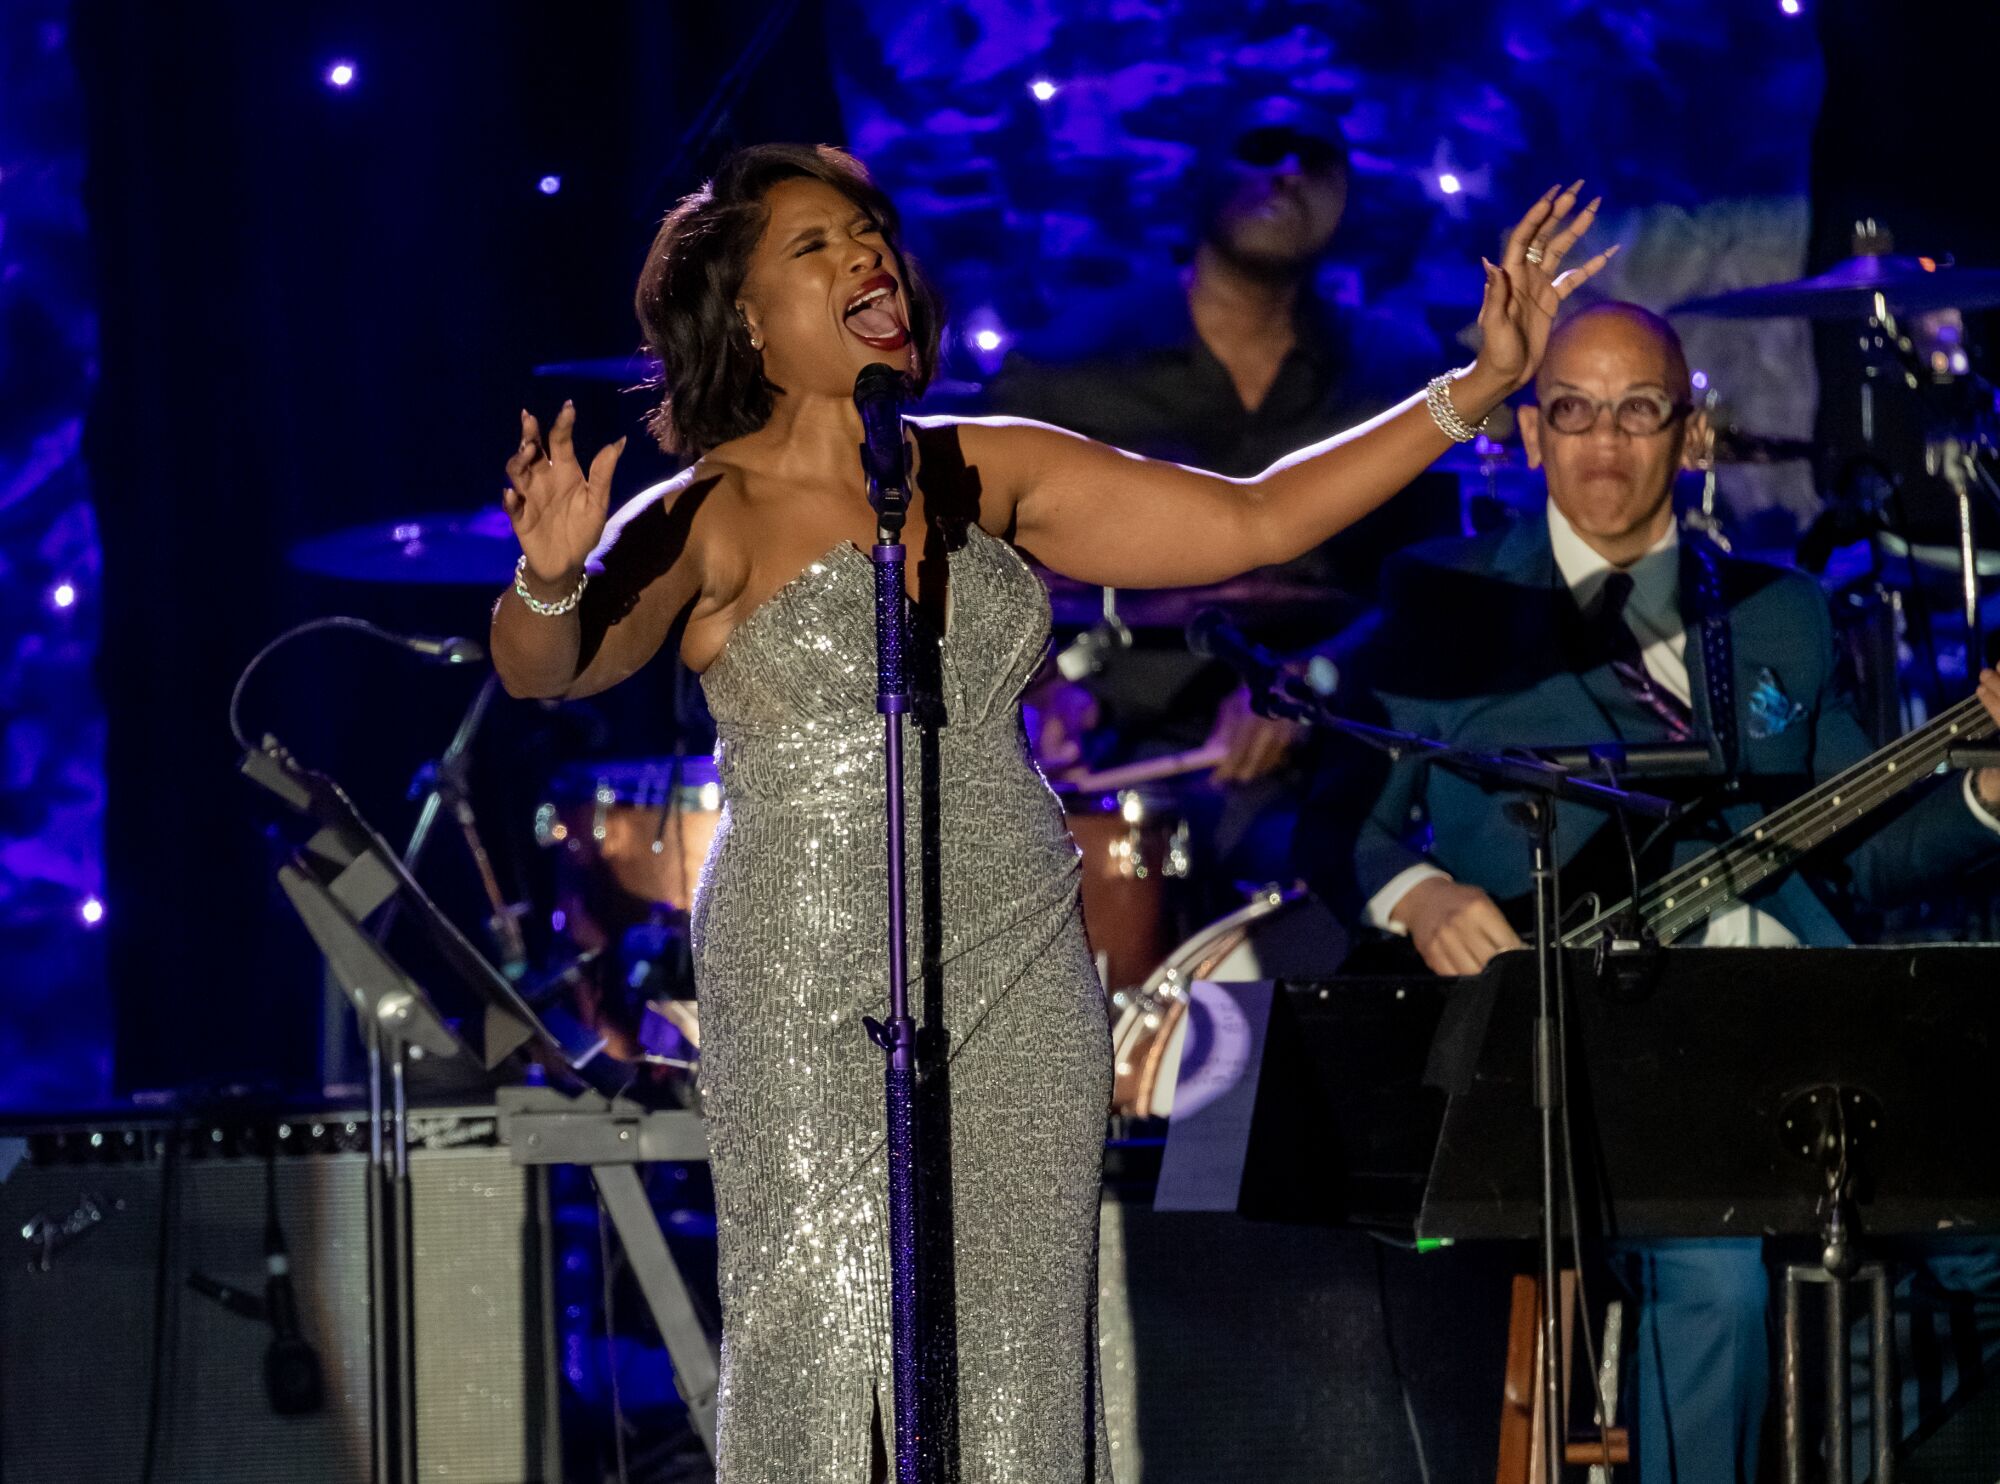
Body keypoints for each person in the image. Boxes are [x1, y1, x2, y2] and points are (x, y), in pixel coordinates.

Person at [489, 142, 1609, 1482]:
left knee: (1019, 1351)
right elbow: (553, 666)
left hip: (1018, 956)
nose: (867, 258)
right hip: (806, 969)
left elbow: (1251, 523)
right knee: (825, 1329)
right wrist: (549, 581)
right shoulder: (708, 513)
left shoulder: (986, 466)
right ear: (742, 313)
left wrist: (1475, 388)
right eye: (816, 246)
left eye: (873, 234)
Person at [1309, 300, 2000, 1481]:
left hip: (1791, 1028)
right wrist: (1419, 895)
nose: (1602, 443)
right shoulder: (1449, 599)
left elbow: (1859, 854)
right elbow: (1336, 823)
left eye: (1638, 412)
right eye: (1571, 411)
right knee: (1718, 1274)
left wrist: (1984, 794)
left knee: (1983, 1237)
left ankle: (1825, 1446)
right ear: (1528, 435)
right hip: (1583, 1047)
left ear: (1691, 437)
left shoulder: (1776, 612)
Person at [988, 98, 1456, 892]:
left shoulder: (1393, 370)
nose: (1287, 173)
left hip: (1330, 739)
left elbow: (1427, 581)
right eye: (1262, 148)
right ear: (1202, 175)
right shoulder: (1070, 363)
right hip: (1112, 747)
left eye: (1316, 159)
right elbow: (972, 568)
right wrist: (1039, 693)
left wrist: (1311, 677)